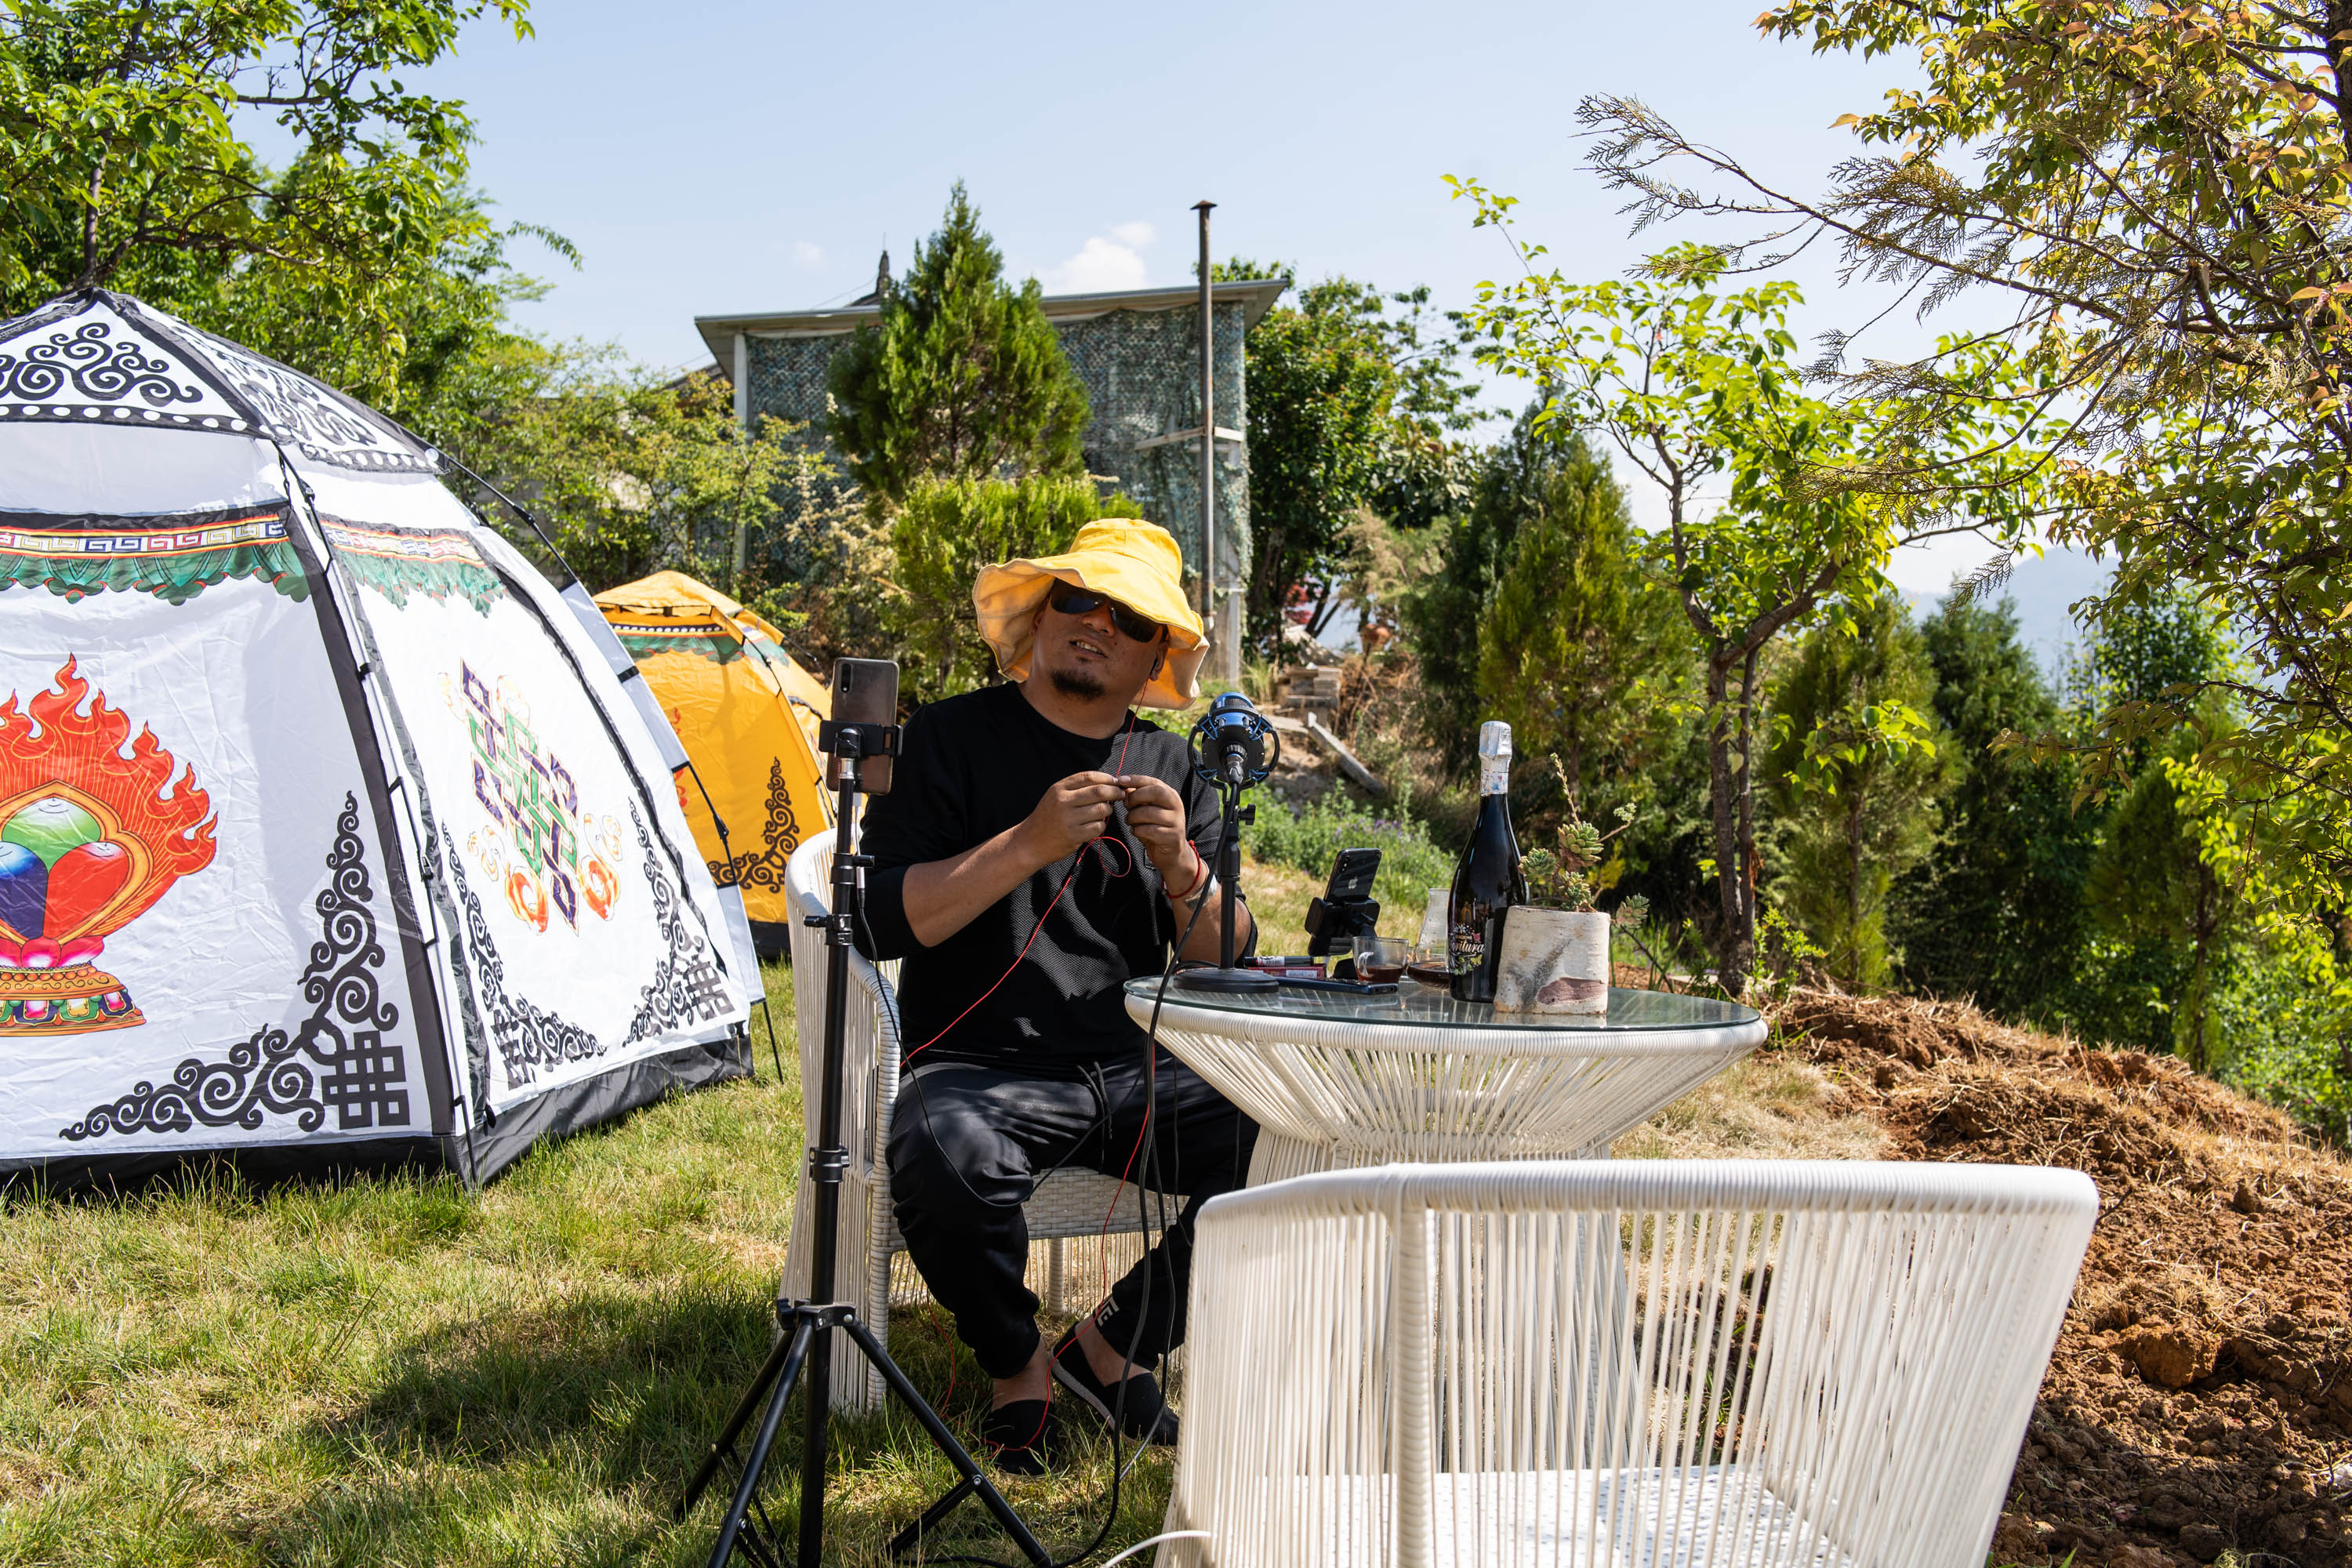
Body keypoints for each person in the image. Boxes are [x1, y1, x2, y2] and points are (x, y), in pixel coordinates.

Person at [853, 519, 1259, 1474]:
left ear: (1157, 651)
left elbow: (1227, 953)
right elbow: (881, 919)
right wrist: (1028, 843)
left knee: (1294, 1141)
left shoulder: (1176, 767)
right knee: (943, 1160)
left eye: (1128, 615)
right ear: (1038, 618)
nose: (1096, 624)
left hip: (1136, 1065)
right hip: (978, 1066)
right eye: (1077, 600)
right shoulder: (949, 738)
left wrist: (1181, 864)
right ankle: (1018, 1362)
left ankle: (1113, 1346)